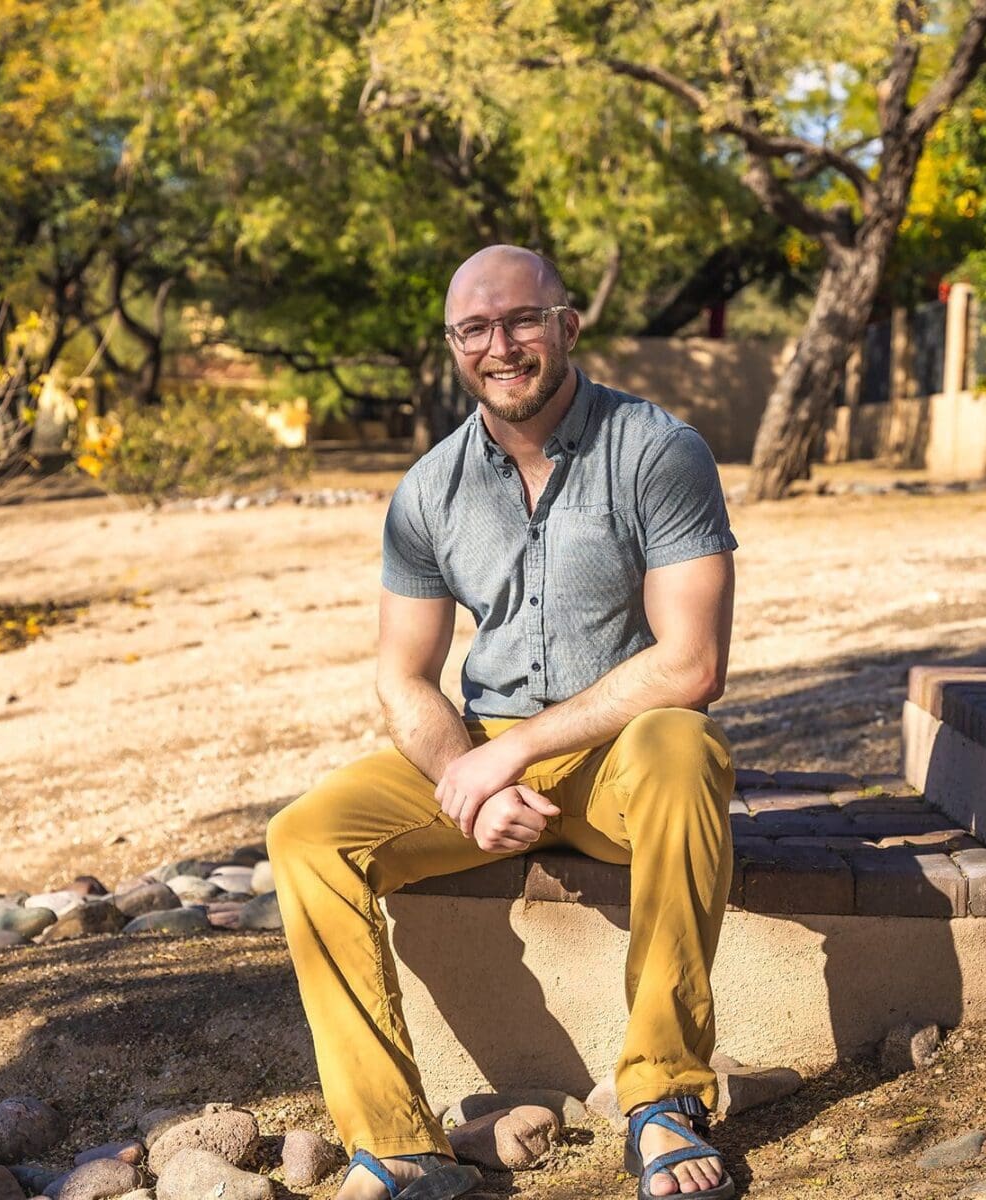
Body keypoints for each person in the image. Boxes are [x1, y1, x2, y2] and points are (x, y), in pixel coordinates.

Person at [267, 244, 739, 1200]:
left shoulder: (656, 450)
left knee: (684, 746)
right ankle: (400, 1145)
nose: (501, 346)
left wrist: (513, 752)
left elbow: (692, 663)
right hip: (482, 757)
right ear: (454, 346)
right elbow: (403, 679)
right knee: (306, 836)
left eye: (522, 320)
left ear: (568, 326)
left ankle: (661, 1098)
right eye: (475, 329)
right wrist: (469, 777)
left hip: (620, 757)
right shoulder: (429, 489)